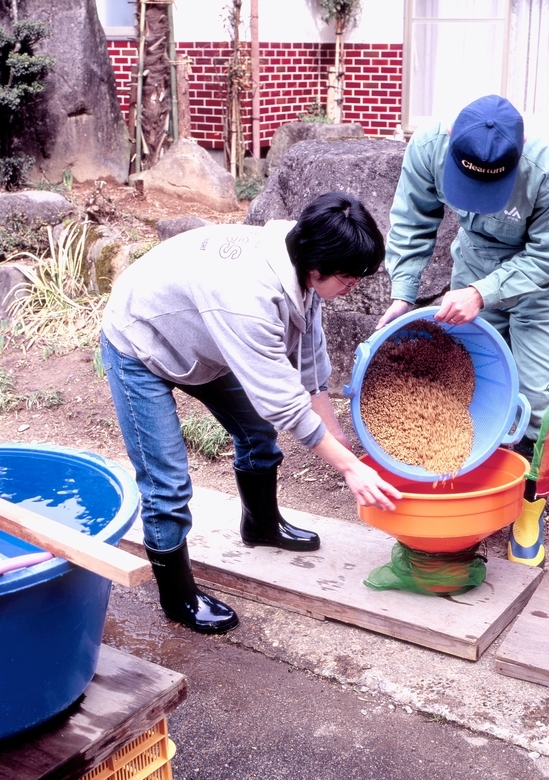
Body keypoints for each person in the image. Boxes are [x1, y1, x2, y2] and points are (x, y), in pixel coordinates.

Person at [100, 192, 402, 635]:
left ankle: (261, 525)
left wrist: (338, 438)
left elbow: (309, 360)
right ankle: (177, 596)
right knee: (167, 481)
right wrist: (350, 468)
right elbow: (282, 401)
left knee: (257, 432)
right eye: (349, 278)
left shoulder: (301, 261)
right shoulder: (247, 297)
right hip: (140, 341)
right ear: (315, 268)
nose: (353, 286)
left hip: (201, 336)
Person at [377, 94, 549, 566]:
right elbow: (412, 219)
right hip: (476, 261)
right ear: (452, 140)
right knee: (473, 381)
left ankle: (528, 509)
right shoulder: (429, 144)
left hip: (544, 283)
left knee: (537, 400)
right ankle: (476, 486)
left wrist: (482, 293)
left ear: (521, 150)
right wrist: (403, 293)